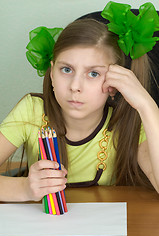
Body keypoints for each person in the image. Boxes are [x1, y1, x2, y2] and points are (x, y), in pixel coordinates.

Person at [0, 1, 159, 202]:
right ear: (51, 74)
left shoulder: (128, 122)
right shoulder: (32, 111)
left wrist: (147, 105)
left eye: (93, 73)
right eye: (66, 70)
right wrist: (25, 188)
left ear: (114, 82)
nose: (75, 86)